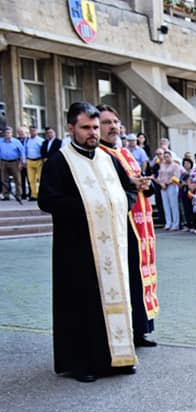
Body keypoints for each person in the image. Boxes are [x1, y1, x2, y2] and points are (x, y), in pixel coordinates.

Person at [38, 102, 140, 382]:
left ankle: (116, 359)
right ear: (71, 128)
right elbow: (46, 199)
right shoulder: (60, 161)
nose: (92, 133)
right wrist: (85, 207)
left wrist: (122, 204)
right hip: (77, 248)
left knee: (113, 300)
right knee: (82, 304)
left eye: (96, 127)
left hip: (111, 246)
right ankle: (81, 364)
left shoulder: (108, 159)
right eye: (86, 128)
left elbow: (129, 188)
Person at [97, 104, 160, 349]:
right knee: (129, 278)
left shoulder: (125, 152)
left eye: (115, 121)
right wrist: (132, 185)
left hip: (142, 226)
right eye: (106, 123)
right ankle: (129, 331)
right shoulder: (102, 155)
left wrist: (146, 184)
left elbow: (142, 182)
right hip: (123, 226)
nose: (113, 127)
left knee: (142, 277)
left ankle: (141, 330)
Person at [156, 150, 181, 231]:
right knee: (166, 205)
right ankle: (168, 223)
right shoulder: (162, 165)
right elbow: (159, 176)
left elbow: (176, 177)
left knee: (173, 205)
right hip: (163, 186)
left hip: (171, 185)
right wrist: (161, 183)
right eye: (165, 157)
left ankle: (175, 223)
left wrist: (167, 183)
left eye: (168, 156)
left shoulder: (175, 166)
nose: (166, 158)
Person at [0, 127, 25, 201]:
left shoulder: (16, 141)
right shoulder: (0, 141)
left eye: (9, 133)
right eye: (6, 133)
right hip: (3, 162)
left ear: (11, 133)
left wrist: (22, 162)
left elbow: (22, 152)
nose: (7, 134)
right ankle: (6, 195)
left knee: (17, 179)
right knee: (4, 179)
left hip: (14, 162)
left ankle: (19, 195)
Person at [24, 125, 44, 201]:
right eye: (31, 131)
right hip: (29, 160)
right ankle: (34, 195)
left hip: (38, 160)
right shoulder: (27, 140)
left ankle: (41, 193)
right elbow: (25, 150)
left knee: (40, 178)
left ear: (36, 131)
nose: (32, 132)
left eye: (34, 130)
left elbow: (43, 150)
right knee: (31, 179)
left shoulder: (40, 140)